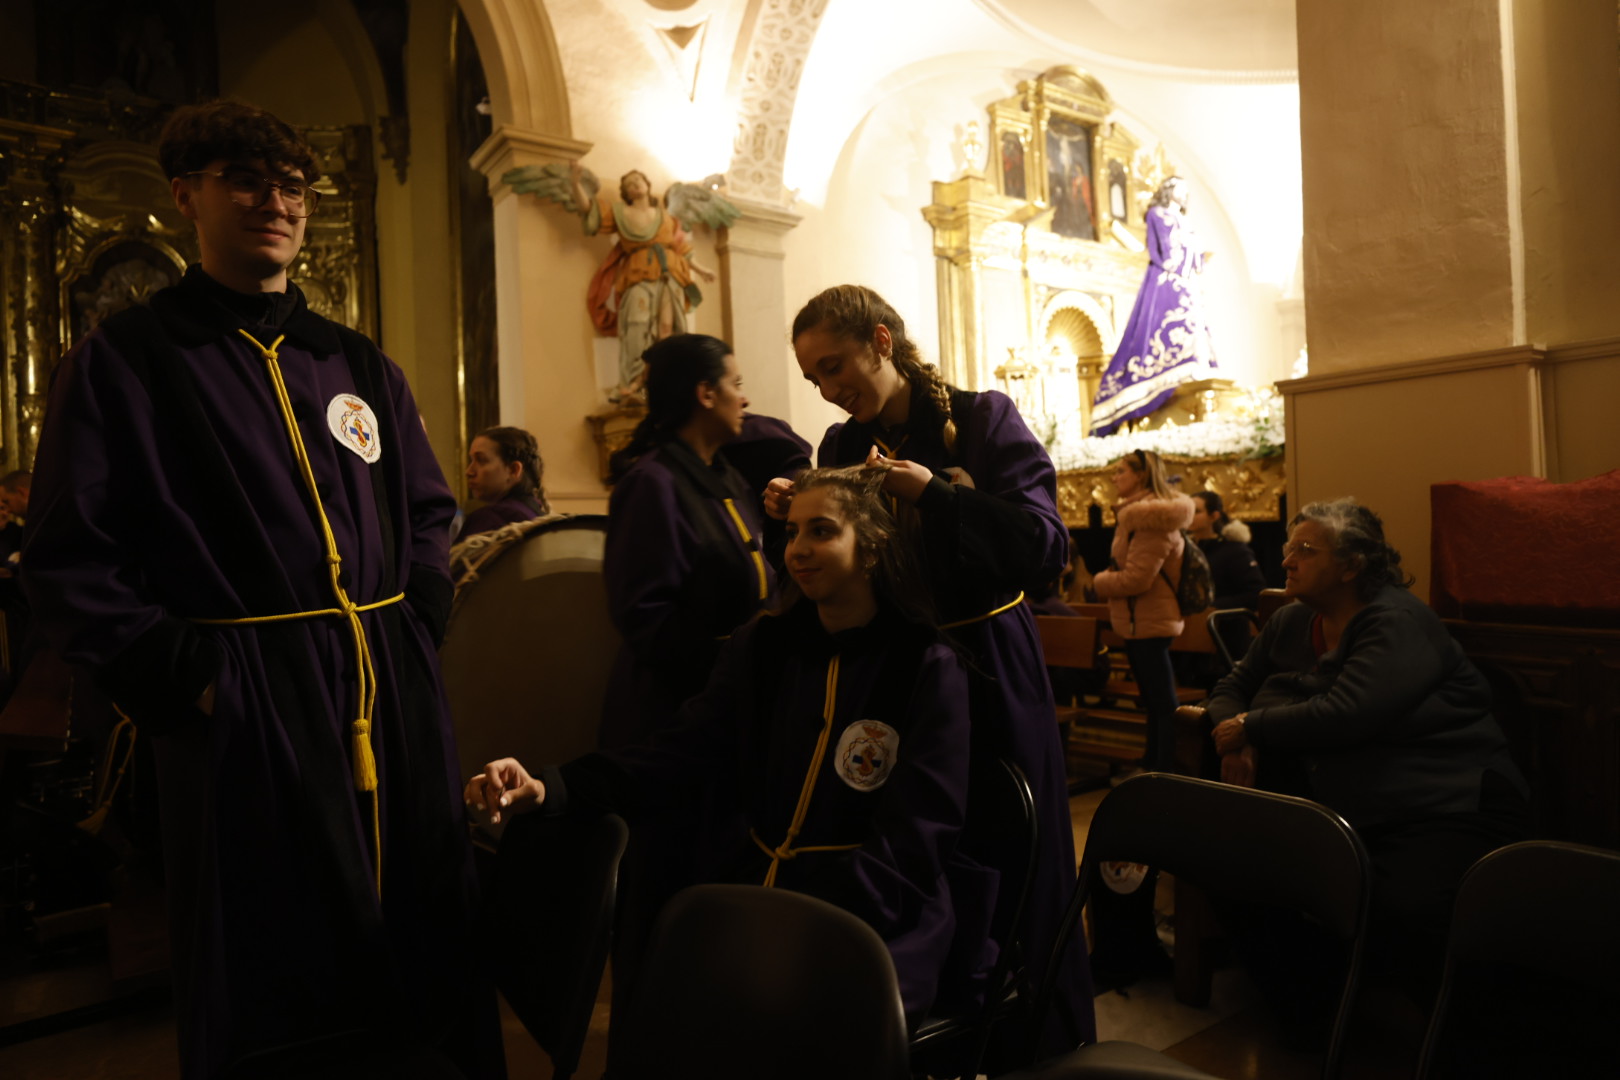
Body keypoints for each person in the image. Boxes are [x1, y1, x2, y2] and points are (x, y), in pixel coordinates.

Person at [22, 101, 499, 1079]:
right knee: (277, 955)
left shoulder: (356, 363)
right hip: (246, 704)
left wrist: (417, 620)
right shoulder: (124, 364)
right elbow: (70, 556)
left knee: (423, 933)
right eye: (244, 179)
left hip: (387, 687)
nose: (273, 203)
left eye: (290, 186)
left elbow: (426, 509)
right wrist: (196, 680)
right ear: (187, 194)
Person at [466, 467, 983, 1026]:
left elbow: (917, 838)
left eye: (822, 531)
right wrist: (552, 785)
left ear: (874, 545)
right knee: (677, 1003)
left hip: (877, 919)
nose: (798, 550)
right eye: (793, 533)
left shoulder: (923, 665)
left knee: (793, 1019)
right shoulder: (765, 646)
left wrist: (804, 923)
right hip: (755, 895)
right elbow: (680, 753)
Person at [768, 284, 1094, 1058]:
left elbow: (1047, 552)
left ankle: (1040, 1043)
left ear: (883, 340)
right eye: (813, 376)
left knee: (1014, 855)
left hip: (990, 662)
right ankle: (934, 1034)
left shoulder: (983, 420)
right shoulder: (841, 448)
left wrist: (937, 495)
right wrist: (799, 509)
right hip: (903, 677)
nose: (826, 387)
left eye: (834, 365)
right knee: (918, 853)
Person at [1207, 500, 1528, 1003]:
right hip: (1355, 803)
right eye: (1289, 549)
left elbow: (1348, 712)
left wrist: (1252, 724)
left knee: (1398, 905)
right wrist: (1236, 736)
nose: (1287, 561)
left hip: (1447, 802)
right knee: (1229, 865)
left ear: (1352, 565)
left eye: (1305, 551)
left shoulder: (1396, 620)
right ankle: (1310, 1008)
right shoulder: (1292, 620)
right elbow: (1232, 684)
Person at [601, 332, 774, 750]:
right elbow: (646, 619)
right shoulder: (651, 484)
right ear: (706, 394)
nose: (744, 399)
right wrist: (735, 664)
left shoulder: (724, 475)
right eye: (737, 384)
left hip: (730, 700)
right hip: (678, 716)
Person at [569, 164, 717, 400]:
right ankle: (634, 381)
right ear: (626, 193)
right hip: (637, 274)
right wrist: (576, 183)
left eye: (638, 180)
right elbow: (589, 211)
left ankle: (670, 380)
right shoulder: (619, 213)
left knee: (669, 329)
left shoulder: (666, 217)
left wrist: (701, 269)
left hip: (670, 275)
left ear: (647, 185)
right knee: (636, 326)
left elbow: (681, 248)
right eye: (629, 184)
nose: (634, 184)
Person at [1090, 449, 1195, 775]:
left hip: (1150, 620)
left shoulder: (1152, 520)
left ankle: (1166, 769)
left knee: (1163, 702)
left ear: (1140, 475)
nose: (1114, 477)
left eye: (1121, 471)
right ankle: (1153, 762)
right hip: (1140, 620)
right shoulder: (1136, 516)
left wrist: (1099, 582)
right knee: (1152, 700)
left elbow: (1137, 578)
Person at [1091, 176, 1218, 436]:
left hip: (1187, 281)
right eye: (1179, 189)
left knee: (1196, 328)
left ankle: (1193, 368)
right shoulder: (1157, 214)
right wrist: (1178, 265)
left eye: (1185, 191)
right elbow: (1164, 249)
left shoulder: (1186, 221)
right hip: (1169, 279)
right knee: (1159, 328)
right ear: (1168, 191)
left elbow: (1195, 253)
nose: (1183, 195)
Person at [459, 425, 550, 538]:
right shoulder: (535, 512)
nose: (469, 472)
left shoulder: (494, 518)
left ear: (513, 470)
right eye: (472, 460)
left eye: (481, 460)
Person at [1190, 490, 1266, 612]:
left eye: (1197, 511)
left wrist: (1212, 606)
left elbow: (1255, 594)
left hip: (1225, 625)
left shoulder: (1235, 550)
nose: (1190, 515)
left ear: (1214, 516)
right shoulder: (1186, 549)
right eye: (1188, 511)